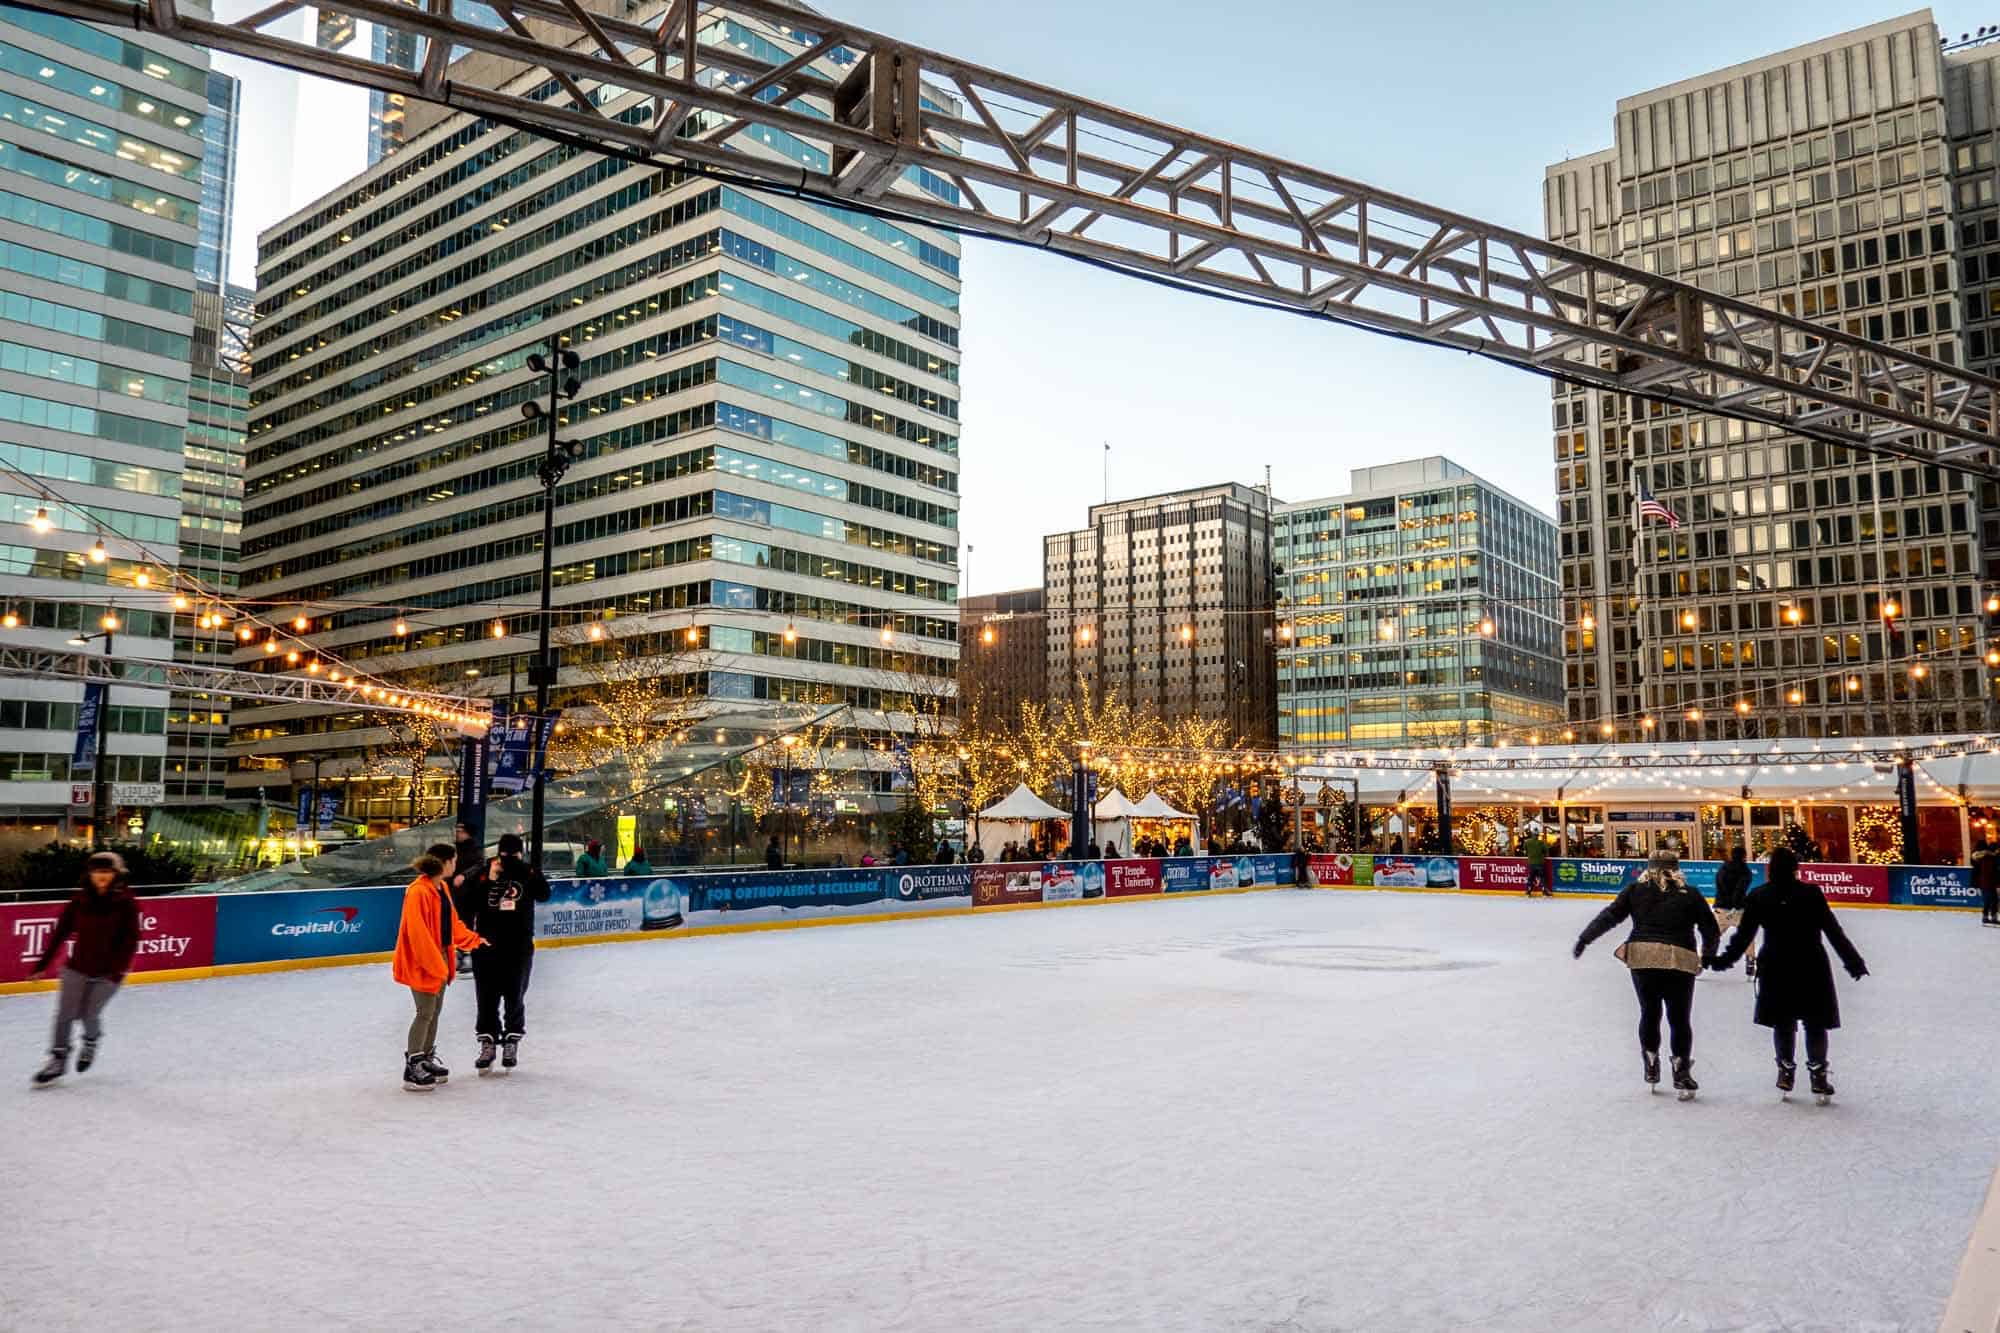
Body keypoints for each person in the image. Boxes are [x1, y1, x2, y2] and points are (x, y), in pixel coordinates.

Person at [1710, 848, 1868, 1102]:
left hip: (1776, 964)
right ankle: (1818, 1074)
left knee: (1783, 1021)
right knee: (1815, 1022)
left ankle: (1785, 1070)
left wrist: (1723, 961)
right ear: (1796, 868)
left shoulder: (1759, 896)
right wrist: (1853, 962)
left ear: (1770, 869)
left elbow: (1743, 937)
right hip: (1811, 963)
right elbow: (1833, 931)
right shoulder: (1811, 894)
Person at [1572, 850, 1721, 1100]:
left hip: (1643, 956)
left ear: (1648, 868)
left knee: (1650, 1013)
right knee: (1679, 1018)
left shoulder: (1635, 890)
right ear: (1676, 869)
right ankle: (1681, 1071)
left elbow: (1610, 916)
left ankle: (1651, 1061)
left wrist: (1585, 938)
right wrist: (1707, 956)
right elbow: (1711, 930)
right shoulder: (1691, 895)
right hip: (1679, 959)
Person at [29, 851, 140, 1088]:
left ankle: (90, 1042)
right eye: (97, 871)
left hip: (109, 972)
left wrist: (117, 970)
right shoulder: (79, 901)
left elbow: (131, 940)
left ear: (116, 874)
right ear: (89, 874)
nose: (101, 876)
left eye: (107, 872)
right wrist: (42, 965)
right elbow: (60, 933)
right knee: (64, 1014)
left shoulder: (126, 903)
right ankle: (58, 1059)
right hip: (77, 967)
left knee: (88, 1015)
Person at [393, 844, 484, 1091]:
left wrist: (474, 940)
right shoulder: (417, 892)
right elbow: (417, 934)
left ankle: (425, 1057)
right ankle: (412, 1066)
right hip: (422, 961)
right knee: (424, 1012)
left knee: (434, 1011)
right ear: (444, 862)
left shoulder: (440, 887)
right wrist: (435, 964)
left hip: (441, 958)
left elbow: (452, 923)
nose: (456, 865)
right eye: (454, 861)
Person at [471, 833, 551, 1073]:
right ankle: (489, 1042)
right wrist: (489, 879)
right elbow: (472, 902)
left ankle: (508, 1041)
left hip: (517, 945)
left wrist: (531, 872)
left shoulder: (527, 872)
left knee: (507, 995)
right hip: (488, 945)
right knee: (494, 996)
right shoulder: (486, 871)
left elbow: (543, 893)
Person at [449, 823, 484, 977]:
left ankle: (468, 953)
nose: (457, 833)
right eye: (456, 830)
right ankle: (460, 952)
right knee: (456, 923)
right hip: (454, 894)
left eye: (461, 831)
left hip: (470, 894)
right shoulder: (454, 850)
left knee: (467, 923)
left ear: (468, 834)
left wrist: (464, 876)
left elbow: (479, 865)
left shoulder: (475, 850)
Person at [1713, 846, 1755, 974]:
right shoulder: (1745, 871)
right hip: (1737, 911)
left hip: (1721, 908)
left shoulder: (1723, 868)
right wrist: (1736, 905)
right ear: (1744, 856)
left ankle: (1699, 961)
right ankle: (1750, 960)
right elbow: (1739, 890)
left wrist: (1722, 901)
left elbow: (1718, 884)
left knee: (1712, 936)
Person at [1973, 835, 2000, 926]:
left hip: (1986, 883)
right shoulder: (1989, 859)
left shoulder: (1985, 858)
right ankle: (1990, 917)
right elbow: (1990, 873)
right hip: (1988, 883)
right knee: (1991, 900)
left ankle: (1989, 917)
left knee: (1991, 900)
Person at [1520, 829, 1551, 897]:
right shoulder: (1541, 843)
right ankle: (1544, 891)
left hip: (1531, 863)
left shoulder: (1527, 842)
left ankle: (1528, 891)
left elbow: (1524, 850)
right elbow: (1546, 850)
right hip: (1540, 863)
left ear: (1532, 834)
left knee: (1531, 878)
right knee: (1542, 878)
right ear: (1538, 835)